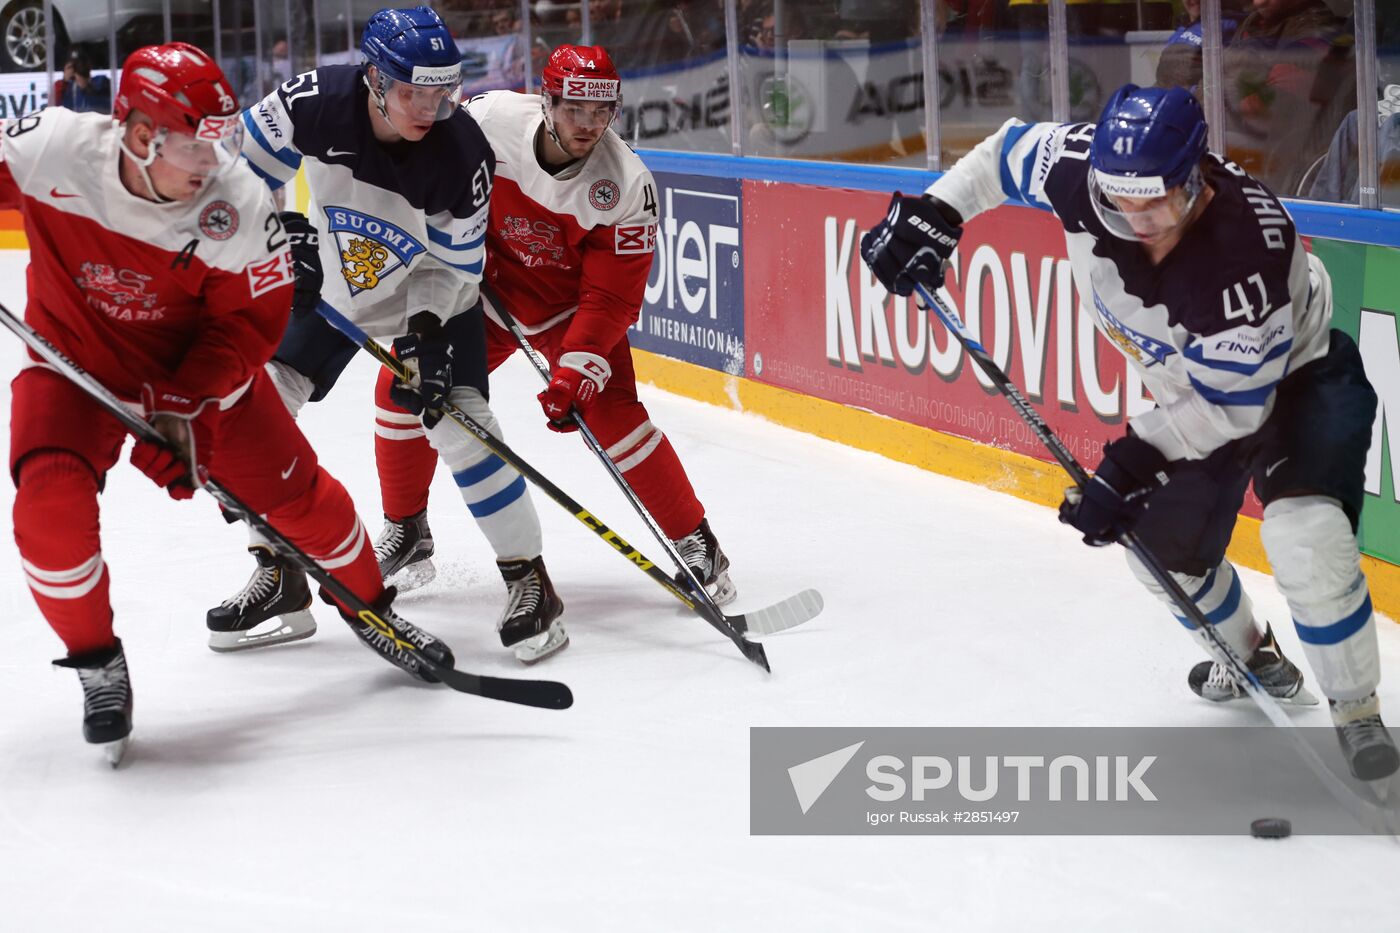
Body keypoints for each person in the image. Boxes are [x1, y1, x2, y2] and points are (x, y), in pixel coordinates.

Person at [860, 84, 1398, 782]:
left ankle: (1357, 711)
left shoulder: (1242, 255)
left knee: (1305, 534)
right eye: (1120, 203)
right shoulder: (1083, 167)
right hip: (1193, 387)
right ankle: (1252, 654)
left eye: (1156, 204)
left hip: (1297, 378)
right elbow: (1003, 154)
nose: (1136, 219)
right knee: (1158, 551)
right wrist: (937, 213)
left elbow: (1232, 410)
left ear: (1194, 178)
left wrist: (1130, 460)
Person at [1, 42, 452, 763]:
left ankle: (372, 607)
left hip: (196, 374)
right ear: (142, 134)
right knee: (47, 506)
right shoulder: (52, 147)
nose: (214, 164)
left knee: (299, 498)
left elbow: (252, 321)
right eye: (196, 146)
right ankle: (96, 663)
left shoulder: (234, 203)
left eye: (221, 142)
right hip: (72, 366)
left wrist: (189, 402)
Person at [371, 44, 735, 664]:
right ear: (548, 100)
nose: (590, 125)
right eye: (576, 109)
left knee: (614, 418)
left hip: (573, 314)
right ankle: (408, 532)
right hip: (484, 294)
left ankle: (698, 544)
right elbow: (437, 180)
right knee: (403, 389)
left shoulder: (626, 186)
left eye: (603, 111)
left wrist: (578, 368)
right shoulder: (487, 120)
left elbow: (612, 297)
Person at [234, 8, 556, 657]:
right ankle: (280, 571)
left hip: (425, 295)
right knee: (257, 403)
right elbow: (235, 174)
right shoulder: (312, 102)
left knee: (459, 422)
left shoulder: (461, 149)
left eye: (442, 93)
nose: (428, 108)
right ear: (375, 78)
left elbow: (456, 268)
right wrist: (277, 235)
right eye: (413, 91)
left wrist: (431, 328)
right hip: (329, 285)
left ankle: (530, 579)